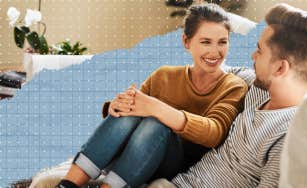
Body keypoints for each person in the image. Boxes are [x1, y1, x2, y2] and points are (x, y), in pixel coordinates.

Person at [54, 3, 248, 188]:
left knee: (156, 123)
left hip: (169, 166)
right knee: (136, 108)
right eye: (206, 42)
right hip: (125, 161)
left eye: (222, 42)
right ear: (186, 42)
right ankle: (67, 184)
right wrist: (115, 106)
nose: (215, 51)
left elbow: (214, 133)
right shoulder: (164, 75)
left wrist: (157, 108)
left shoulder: (233, 86)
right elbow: (132, 114)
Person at [149, 3, 307, 188]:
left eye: (260, 51)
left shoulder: (290, 138)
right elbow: (218, 67)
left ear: (280, 68)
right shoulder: (258, 88)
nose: (253, 56)